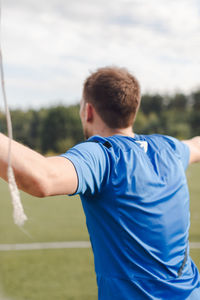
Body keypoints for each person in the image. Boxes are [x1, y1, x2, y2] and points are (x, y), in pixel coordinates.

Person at [0, 66, 200, 299]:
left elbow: (43, 178)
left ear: (89, 111)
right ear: (133, 111)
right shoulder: (170, 148)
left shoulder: (104, 156)